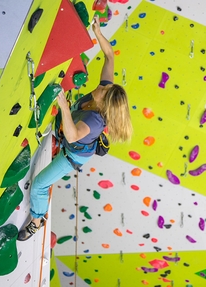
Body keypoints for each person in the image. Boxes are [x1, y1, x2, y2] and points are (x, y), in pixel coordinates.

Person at [18, 16, 133, 241]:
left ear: (103, 103)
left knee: (40, 184)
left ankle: (37, 220)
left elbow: (72, 134)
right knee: (64, 120)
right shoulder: (105, 91)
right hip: (76, 134)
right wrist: (98, 34)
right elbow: (109, 56)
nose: (102, 85)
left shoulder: (93, 121)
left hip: (74, 154)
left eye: (103, 89)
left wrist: (64, 107)